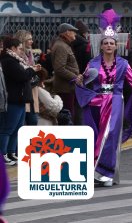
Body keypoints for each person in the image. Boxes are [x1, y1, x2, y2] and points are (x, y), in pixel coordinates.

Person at [75, 9, 132, 187]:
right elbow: (84, 83)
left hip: (115, 102)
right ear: (101, 45)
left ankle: (106, 173)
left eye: (112, 43)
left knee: (110, 136)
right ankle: (96, 171)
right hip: (96, 103)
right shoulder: (92, 63)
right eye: (105, 43)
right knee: (95, 137)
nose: (108, 45)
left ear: (117, 45)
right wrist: (79, 80)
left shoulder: (123, 64)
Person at [0, 37, 41, 166]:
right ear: (12, 48)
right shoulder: (9, 61)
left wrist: (31, 70)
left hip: (20, 99)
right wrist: (32, 70)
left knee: (18, 128)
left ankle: (12, 152)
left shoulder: (16, 60)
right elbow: (21, 76)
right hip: (13, 99)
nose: (20, 50)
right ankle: (3, 154)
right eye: (19, 48)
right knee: (8, 128)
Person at [50, 23, 81, 123]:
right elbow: (59, 68)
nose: (75, 35)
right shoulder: (61, 46)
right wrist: (75, 77)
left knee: (69, 115)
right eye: (73, 32)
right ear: (67, 32)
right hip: (64, 89)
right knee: (66, 117)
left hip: (68, 87)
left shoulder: (63, 45)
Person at [14, 30, 39, 126]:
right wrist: (33, 70)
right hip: (24, 91)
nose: (32, 41)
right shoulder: (17, 56)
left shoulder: (30, 54)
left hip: (32, 90)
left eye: (31, 39)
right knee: (25, 121)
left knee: (33, 121)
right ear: (22, 40)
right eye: (29, 39)